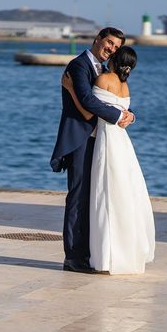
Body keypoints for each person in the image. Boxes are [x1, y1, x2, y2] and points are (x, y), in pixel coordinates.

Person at [62, 45, 155, 274]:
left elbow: (87, 111)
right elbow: (122, 108)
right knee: (123, 194)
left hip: (105, 140)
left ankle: (100, 254)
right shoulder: (124, 85)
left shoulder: (104, 79)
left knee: (103, 195)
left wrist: (70, 88)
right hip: (122, 143)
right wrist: (129, 116)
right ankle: (122, 252)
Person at [50, 27, 135, 273]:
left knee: (95, 198)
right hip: (80, 140)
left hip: (100, 142)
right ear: (97, 39)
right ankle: (73, 257)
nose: (111, 49)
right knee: (77, 198)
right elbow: (87, 103)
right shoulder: (79, 66)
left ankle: (90, 253)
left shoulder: (106, 71)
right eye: (109, 43)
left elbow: (112, 98)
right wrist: (119, 116)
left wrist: (129, 114)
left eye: (116, 47)